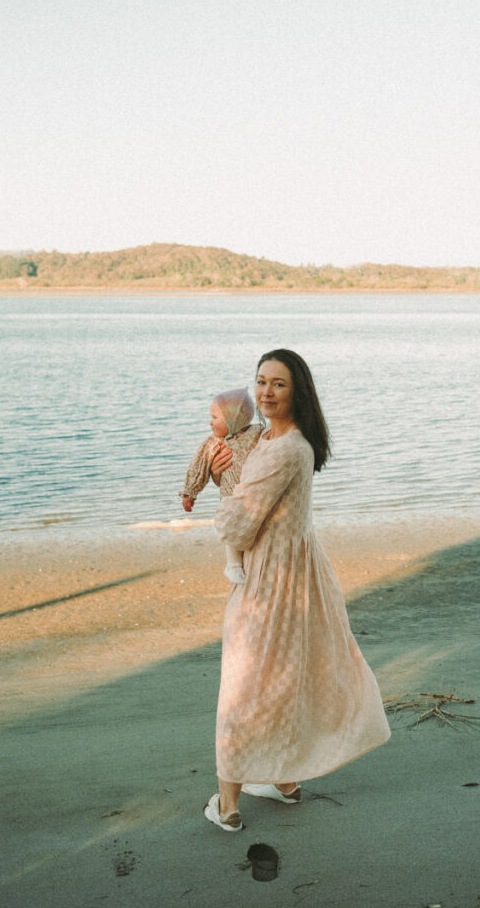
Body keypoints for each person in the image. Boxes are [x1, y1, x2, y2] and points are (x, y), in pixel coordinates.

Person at [203, 349, 391, 833]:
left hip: (272, 578)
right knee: (282, 678)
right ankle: (284, 781)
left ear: (297, 391)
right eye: (261, 381)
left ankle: (227, 803)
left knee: (242, 685)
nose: (266, 392)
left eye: (279, 384)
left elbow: (239, 523)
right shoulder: (278, 439)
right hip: (298, 572)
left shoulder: (286, 449)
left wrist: (221, 493)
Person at [179, 387, 262, 584]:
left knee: (252, 529)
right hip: (230, 499)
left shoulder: (257, 433)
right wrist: (189, 492)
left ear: (233, 419)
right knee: (230, 526)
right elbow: (199, 466)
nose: (210, 422)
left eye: (215, 417)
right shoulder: (213, 443)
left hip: (254, 498)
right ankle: (233, 564)